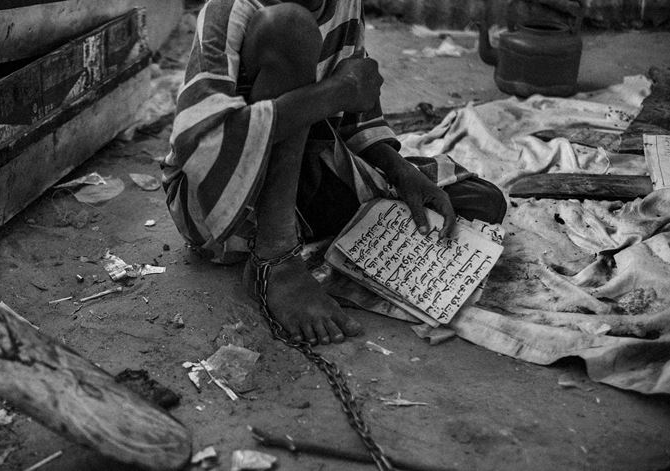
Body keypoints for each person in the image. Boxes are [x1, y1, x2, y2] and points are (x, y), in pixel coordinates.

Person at [162, 0, 506, 347]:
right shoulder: (231, 8)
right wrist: (336, 92)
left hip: (300, 172)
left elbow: (356, 109)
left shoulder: (344, 4)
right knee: (289, 26)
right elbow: (202, 144)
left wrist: (400, 171)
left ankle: (315, 239)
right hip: (218, 202)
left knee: (481, 203)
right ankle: (275, 260)